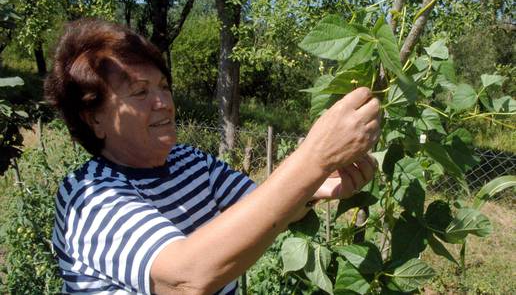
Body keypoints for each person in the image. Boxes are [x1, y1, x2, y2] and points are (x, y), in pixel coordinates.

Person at [44, 18, 380, 295]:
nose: (163, 102)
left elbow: (266, 209)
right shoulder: (88, 195)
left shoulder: (189, 161)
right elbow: (184, 279)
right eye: (140, 92)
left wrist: (316, 185)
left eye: (163, 86)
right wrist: (314, 158)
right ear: (94, 118)